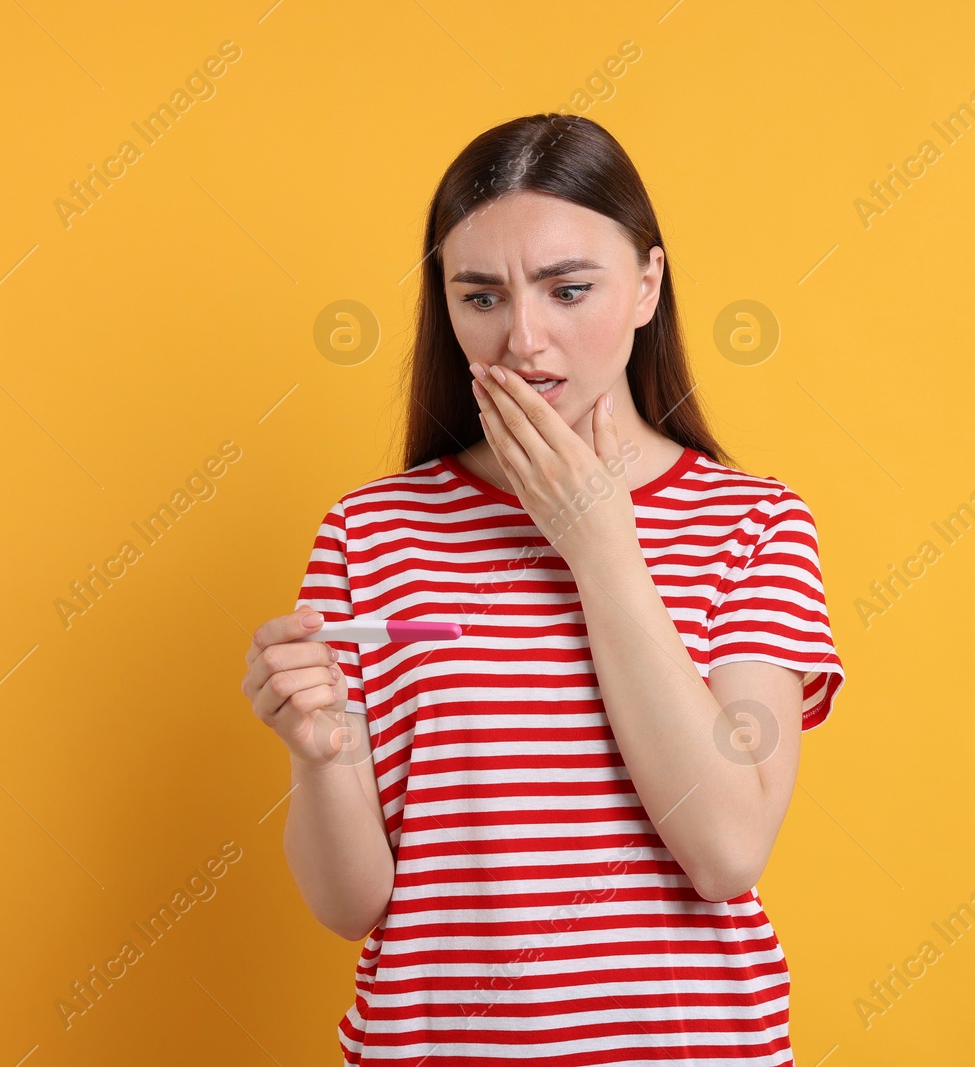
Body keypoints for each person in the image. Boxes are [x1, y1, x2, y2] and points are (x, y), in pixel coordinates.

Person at [240, 113, 845, 1065]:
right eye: (480, 296)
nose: (523, 338)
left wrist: (601, 546)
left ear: (648, 284)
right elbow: (348, 905)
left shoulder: (755, 524)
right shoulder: (371, 532)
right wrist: (318, 757)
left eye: (569, 289)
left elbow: (726, 851)